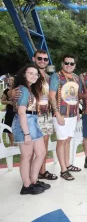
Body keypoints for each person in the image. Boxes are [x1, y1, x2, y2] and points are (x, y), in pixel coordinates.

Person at [12, 64, 50, 195]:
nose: (34, 76)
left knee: (40, 152)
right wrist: (26, 133)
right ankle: (26, 186)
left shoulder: (29, 89)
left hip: (32, 122)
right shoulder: (22, 89)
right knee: (26, 156)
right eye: (30, 73)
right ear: (24, 74)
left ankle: (34, 180)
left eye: (36, 74)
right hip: (25, 123)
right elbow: (22, 112)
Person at [49, 54, 81, 181]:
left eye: (71, 63)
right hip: (61, 114)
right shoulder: (56, 76)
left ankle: (67, 164)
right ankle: (63, 170)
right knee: (61, 141)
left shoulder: (76, 77)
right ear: (62, 64)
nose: (69, 65)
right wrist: (56, 113)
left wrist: (78, 111)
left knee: (68, 140)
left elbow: (76, 96)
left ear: (74, 65)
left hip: (72, 114)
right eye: (66, 63)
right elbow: (51, 96)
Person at [31, 50, 58, 181]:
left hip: (46, 115)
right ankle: (31, 175)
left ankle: (42, 171)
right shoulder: (29, 75)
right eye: (40, 58)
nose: (42, 61)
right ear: (34, 59)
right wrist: (13, 94)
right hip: (33, 116)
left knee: (45, 143)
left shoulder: (49, 77)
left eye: (45, 59)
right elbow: (16, 90)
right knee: (31, 146)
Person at [1, 75, 15, 146]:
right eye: (9, 80)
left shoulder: (19, 90)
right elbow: (2, 101)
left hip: (18, 110)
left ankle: (17, 142)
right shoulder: (6, 91)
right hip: (10, 110)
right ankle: (12, 143)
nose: (10, 81)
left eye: (12, 80)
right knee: (9, 126)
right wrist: (9, 102)